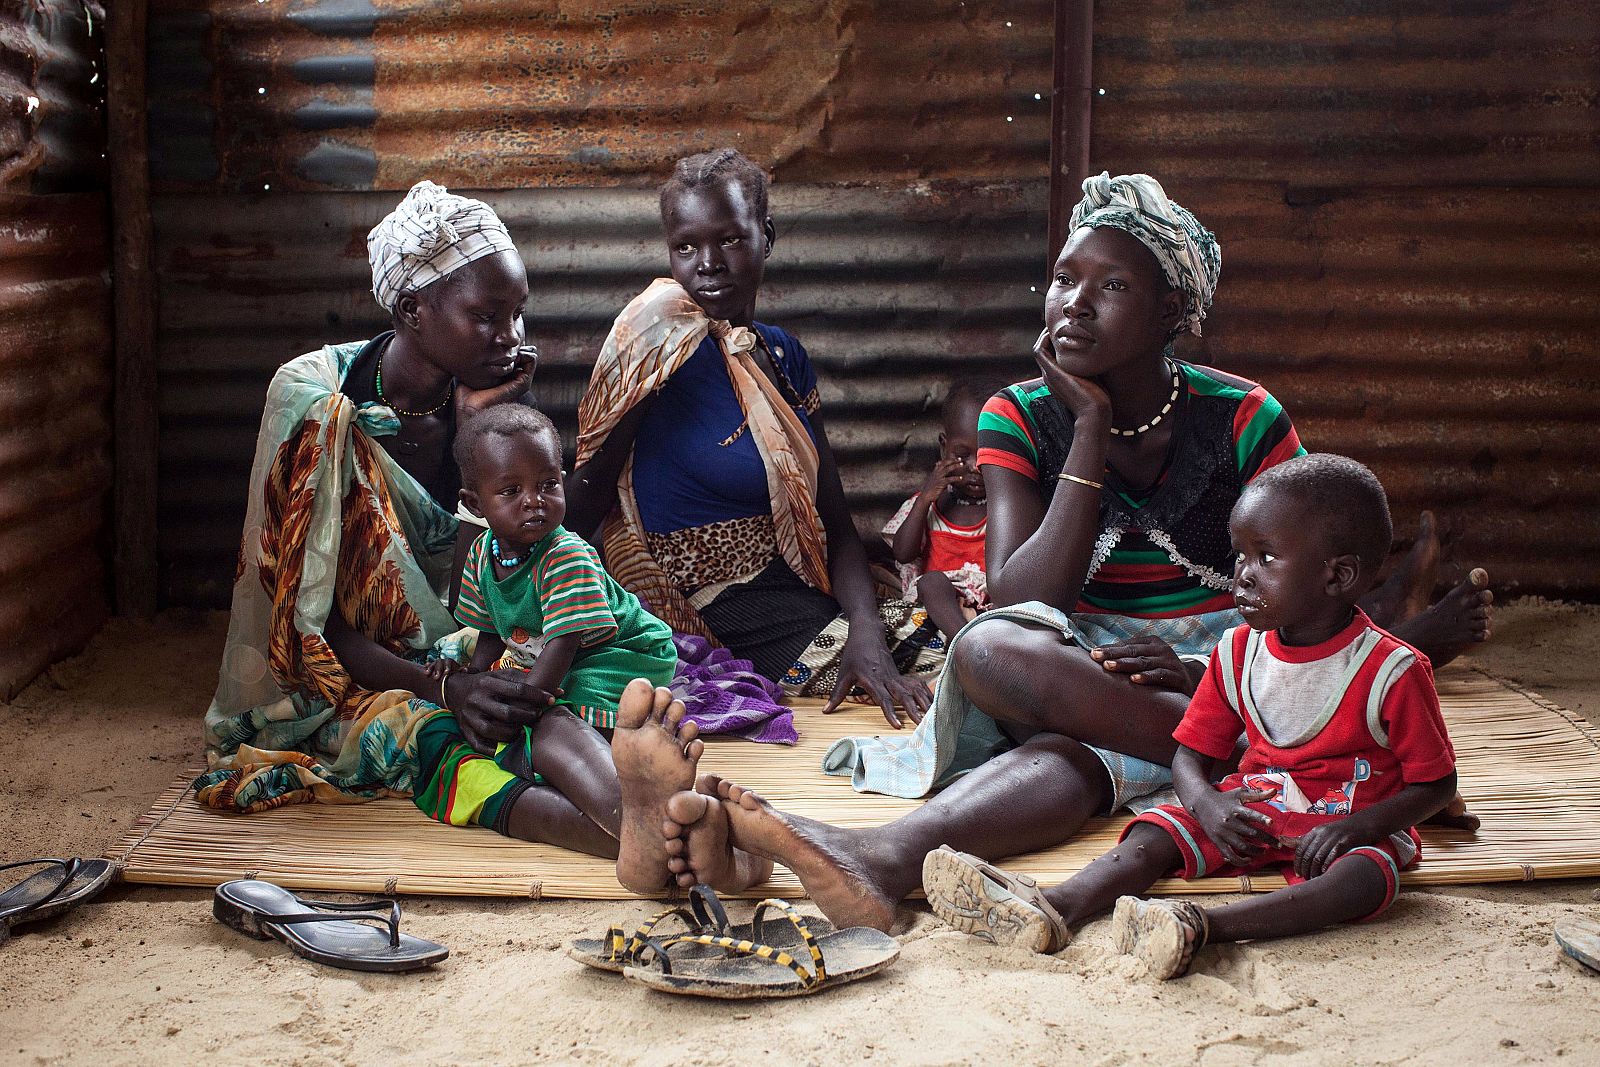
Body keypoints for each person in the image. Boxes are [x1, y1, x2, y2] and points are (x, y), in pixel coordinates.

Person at [652, 173, 1489, 932]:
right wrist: (1086, 428)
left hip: (1234, 670)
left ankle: (884, 857)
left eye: (1113, 286)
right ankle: (1280, 759)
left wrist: (1208, 678)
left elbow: (1302, 591)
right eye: (1064, 280)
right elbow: (1023, 600)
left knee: (1070, 759)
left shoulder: (1243, 416)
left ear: (1170, 313)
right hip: (1078, 661)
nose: (1074, 304)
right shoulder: (1017, 415)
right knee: (989, 648)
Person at [923, 454, 1459, 976]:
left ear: (1338, 577)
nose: (1242, 577)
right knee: (1154, 833)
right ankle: (1057, 905)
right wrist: (1207, 804)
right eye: (1239, 556)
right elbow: (1191, 757)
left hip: (1350, 824)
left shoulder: (1393, 670)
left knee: (1363, 879)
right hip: (1251, 813)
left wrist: (1360, 828)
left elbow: (1435, 785)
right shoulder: (1235, 653)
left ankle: (1202, 926)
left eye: (1266, 558)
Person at [566, 148, 939, 730]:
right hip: (706, 605)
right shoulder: (651, 348)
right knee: (940, 675)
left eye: (731, 240)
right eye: (686, 246)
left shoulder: (783, 357)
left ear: (766, 237)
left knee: (951, 641)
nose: (708, 264)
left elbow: (835, 522)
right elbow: (582, 504)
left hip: (791, 588)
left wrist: (866, 633)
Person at [411, 403, 767, 891]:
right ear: (475, 503)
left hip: (619, 654)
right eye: (511, 491)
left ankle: (626, 771)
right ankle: (655, 813)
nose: (534, 501)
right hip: (556, 654)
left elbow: (558, 657)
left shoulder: (566, 554)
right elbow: (489, 635)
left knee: (548, 717)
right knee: (521, 722)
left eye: (548, 485)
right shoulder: (479, 556)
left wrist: (518, 706)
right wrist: (474, 678)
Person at [882, 379, 994, 640]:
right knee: (932, 582)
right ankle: (965, 644)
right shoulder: (929, 504)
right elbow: (903, 552)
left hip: (991, 607)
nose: (975, 466)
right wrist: (924, 501)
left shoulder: (1007, 506)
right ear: (944, 447)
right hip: (937, 609)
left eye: (988, 453)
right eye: (961, 454)